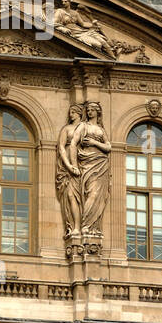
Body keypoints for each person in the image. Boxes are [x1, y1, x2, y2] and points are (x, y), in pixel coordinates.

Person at [71, 101, 111, 237]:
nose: (89, 112)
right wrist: (73, 165)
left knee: (96, 195)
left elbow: (108, 147)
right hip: (87, 164)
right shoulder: (83, 126)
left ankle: (89, 225)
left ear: (97, 112)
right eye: (88, 110)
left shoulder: (101, 129)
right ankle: (85, 225)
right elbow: (72, 144)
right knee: (90, 194)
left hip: (101, 164)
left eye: (92, 110)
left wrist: (94, 142)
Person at [55, 103, 84, 236]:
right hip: (68, 167)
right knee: (71, 196)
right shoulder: (66, 129)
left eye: (73, 112)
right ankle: (74, 227)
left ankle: (81, 226)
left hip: (83, 163)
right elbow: (61, 148)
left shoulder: (85, 128)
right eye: (70, 112)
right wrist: (69, 165)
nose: (70, 114)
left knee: (82, 198)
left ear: (79, 113)